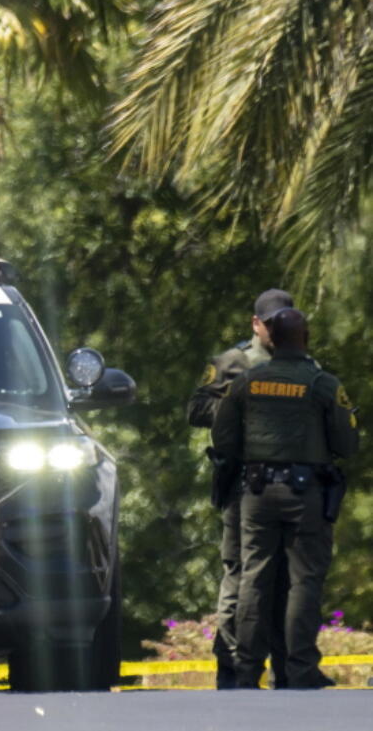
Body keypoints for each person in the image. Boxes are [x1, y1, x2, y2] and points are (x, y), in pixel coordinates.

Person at [211, 308, 359, 689]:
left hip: (256, 492)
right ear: (306, 338)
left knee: (254, 578)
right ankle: (299, 670)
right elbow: (347, 443)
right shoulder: (323, 384)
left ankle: (245, 671)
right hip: (305, 493)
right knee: (303, 580)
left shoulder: (246, 381)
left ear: (271, 339)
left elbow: (223, 437)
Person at [187, 288, 293, 689]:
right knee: (240, 574)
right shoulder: (235, 361)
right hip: (244, 486)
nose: (277, 328)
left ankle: (289, 667)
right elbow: (196, 410)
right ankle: (232, 664)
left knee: (288, 578)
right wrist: (243, 403)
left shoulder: (302, 363)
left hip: (292, 489)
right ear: (256, 324)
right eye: (271, 322)